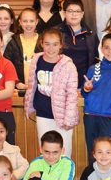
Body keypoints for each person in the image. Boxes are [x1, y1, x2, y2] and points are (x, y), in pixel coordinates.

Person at [24, 28, 79, 158]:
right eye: (47, 44)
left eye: (55, 44)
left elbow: (72, 94)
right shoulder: (36, 60)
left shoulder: (68, 65)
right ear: (41, 43)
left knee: (64, 154)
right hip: (43, 114)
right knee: (46, 153)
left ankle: (65, 173)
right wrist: (28, 106)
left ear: (61, 45)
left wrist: (68, 119)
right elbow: (32, 84)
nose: (51, 48)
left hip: (62, 117)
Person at [82, 33, 111, 154]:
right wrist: (86, 88)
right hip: (90, 116)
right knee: (92, 152)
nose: (110, 51)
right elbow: (84, 92)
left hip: (110, 117)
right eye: (106, 47)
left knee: (108, 152)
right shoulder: (93, 68)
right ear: (101, 49)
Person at [59, 0, 97, 88]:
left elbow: (96, 61)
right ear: (64, 13)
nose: (74, 14)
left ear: (82, 14)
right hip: (60, 83)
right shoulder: (56, 33)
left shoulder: (90, 35)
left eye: (77, 11)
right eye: (70, 11)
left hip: (84, 84)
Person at [4, 7, 42, 90]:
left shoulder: (43, 42)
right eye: (25, 21)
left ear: (36, 22)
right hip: (18, 88)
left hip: (39, 88)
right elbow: (6, 65)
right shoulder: (13, 42)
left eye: (31, 21)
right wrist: (16, 82)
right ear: (20, 22)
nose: (28, 24)